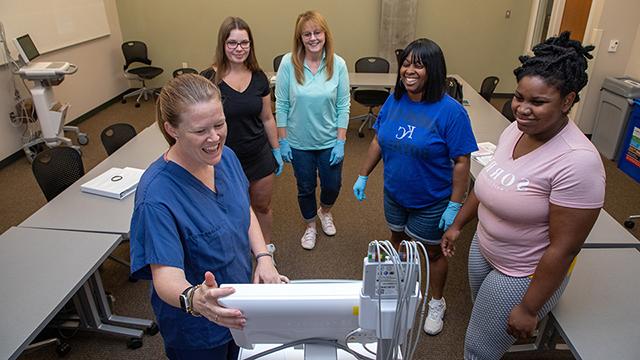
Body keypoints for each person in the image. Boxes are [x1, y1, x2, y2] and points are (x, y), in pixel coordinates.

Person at [440, 32, 605, 359]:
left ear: (568, 101)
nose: (522, 109)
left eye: (538, 102)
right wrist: (458, 224)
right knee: (482, 319)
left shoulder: (577, 161)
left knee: (478, 349)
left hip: (522, 271)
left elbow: (565, 247)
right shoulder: (516, 129)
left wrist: (529, 307)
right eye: (519, 98)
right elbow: (489, 182)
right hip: (485, 248)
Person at [129, 74, 287, 360]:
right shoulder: (157, 195)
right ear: (171, 129)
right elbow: (165, 277)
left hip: (240, 304)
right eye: (201, 130)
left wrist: (264, 256)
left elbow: (244, 209)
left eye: (219, 124)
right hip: (196, 329)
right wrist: (195, 299)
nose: (214, 138)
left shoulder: (224, 157)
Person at [352, 38, 478, 336]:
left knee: (433, 253)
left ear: (432, 70)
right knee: (396, 237)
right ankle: (395, 286)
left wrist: (454, 204)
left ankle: (437, 301)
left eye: (418, 65)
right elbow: (378, 140)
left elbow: (462, 161)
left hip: (431, 200)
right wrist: (363, 174)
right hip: (395, 193)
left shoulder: (451, 112)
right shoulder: (394, 101)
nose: (409, 70)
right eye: (406, 64)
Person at [202, 17, 282, 259]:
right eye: (233, 43)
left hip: (258, 155)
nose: (239, 48)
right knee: (231, 210)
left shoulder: (259, 77)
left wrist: (276, 149)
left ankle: (265, 251)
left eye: (244, 43)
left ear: (251, 45)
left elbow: (267, 118)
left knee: (261, 206)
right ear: (223, 44)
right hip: (222, 159)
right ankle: (236, 251)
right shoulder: (208, 78)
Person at [275, 10, 350, 250]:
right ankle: (310, 226)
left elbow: (343, 105)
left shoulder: (338, 64)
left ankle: (325, 211)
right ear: (300, 38)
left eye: (317, 32)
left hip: (329, 141)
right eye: (306, 34)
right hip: (299, 143)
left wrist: (341, 141)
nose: (313, 38)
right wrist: (283, 140)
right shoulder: (288, 63)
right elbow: (282, 103)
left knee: (332, 186)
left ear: (325, 34)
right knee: (305, 187)